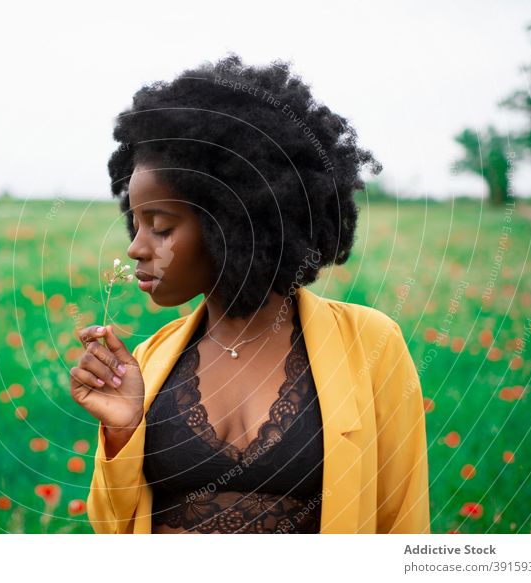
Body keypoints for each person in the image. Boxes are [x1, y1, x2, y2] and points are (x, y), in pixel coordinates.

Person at [69, 53, 430, 534]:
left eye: (160, 227)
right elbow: (112, 527)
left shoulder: (371, 345)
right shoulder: (149, 361)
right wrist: (121, 431)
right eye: (135, 223)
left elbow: (401, 522)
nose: (136, 248)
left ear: (233, 222)